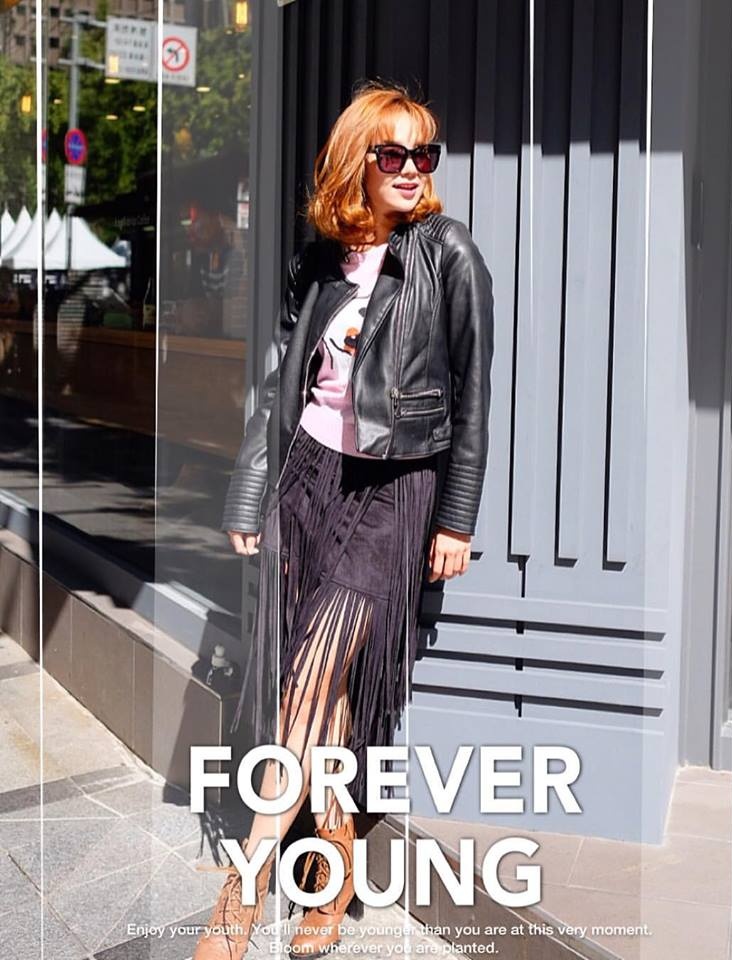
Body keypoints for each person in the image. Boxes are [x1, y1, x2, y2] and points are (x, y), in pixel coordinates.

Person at [194, 80, 494, 960]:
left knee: (311, 676)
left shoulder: (447, 253)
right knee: (317, 695)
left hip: (395, 490)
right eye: (392, 152)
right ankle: (334, 864)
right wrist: (250, 492)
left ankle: (243, 886)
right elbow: (278, 388)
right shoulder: (319, 263)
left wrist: (457, 519)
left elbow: (475, 399)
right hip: (307, 482)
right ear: (354, 162)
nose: (411, 168)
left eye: (423, 153)